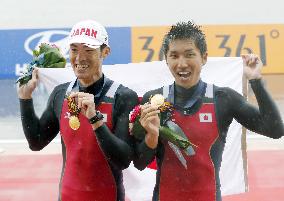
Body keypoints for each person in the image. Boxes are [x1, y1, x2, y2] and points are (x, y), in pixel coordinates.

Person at [133, 21, 284, 201]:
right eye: (174, 56)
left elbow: (275, 130)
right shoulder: (153, 100)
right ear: (166, 59)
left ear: (204, 58)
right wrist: (151, 136)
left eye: (189, 55)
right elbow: (140, 163)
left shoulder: (223, 99)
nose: (181, 64)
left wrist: (256, 81)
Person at [17, 20, 139, 201]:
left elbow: (123, 160)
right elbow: (36, 142)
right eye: (74, 50)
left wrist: (95, 120)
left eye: (88, 50)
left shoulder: (123, 97)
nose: (80, 58)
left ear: (105, 52)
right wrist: (25, 99)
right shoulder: (61, 94)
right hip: (68, 196)